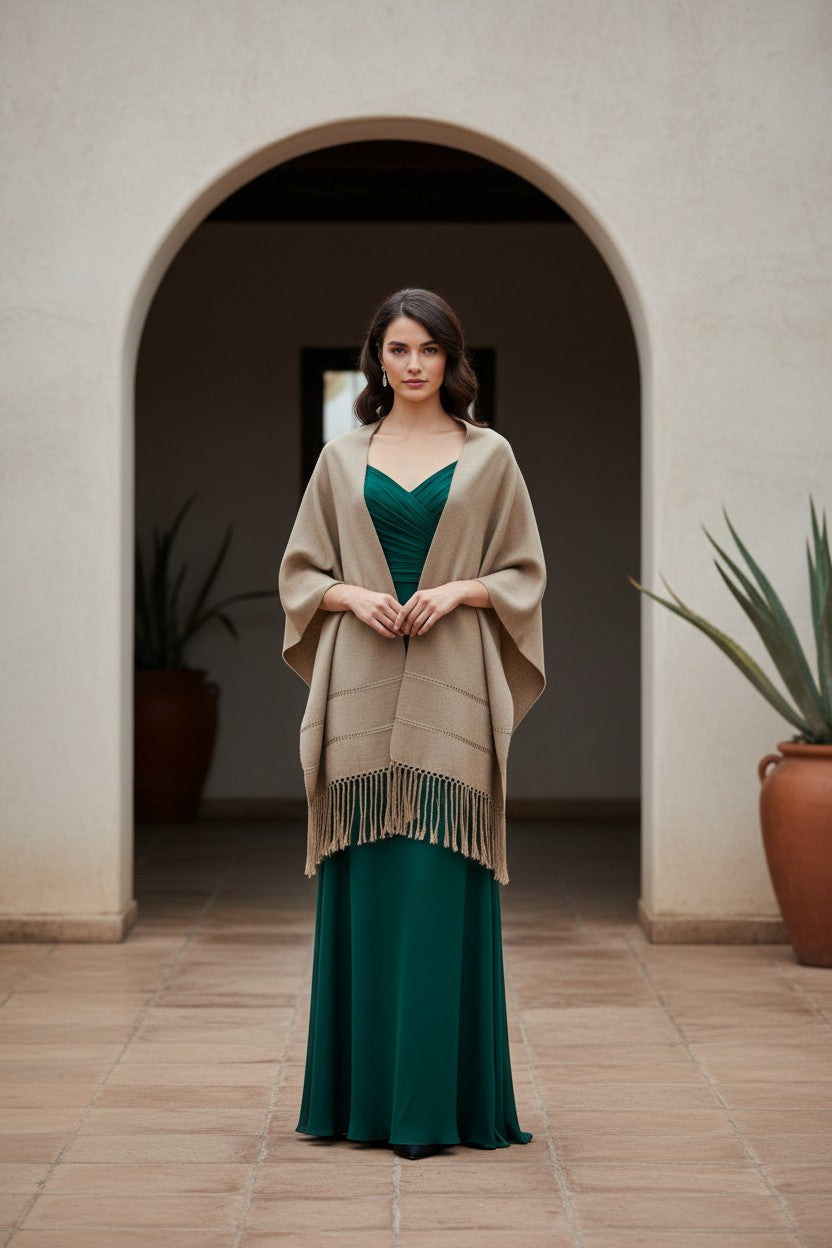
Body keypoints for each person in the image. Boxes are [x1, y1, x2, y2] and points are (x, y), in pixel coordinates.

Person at [278, 287, 546, 1160]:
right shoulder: (340, 457)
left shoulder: (490, 455)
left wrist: (459, 590)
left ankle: (443, 1106)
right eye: (399, 350)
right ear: (377, 360)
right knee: (370, 893)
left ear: (450, 360)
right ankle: (358, 1106)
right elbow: (301, 571)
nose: (415, 364)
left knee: (437, 886)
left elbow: (522, 570)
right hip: (359, 690)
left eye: (429, 350)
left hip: (450, 689)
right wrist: (351, 594)